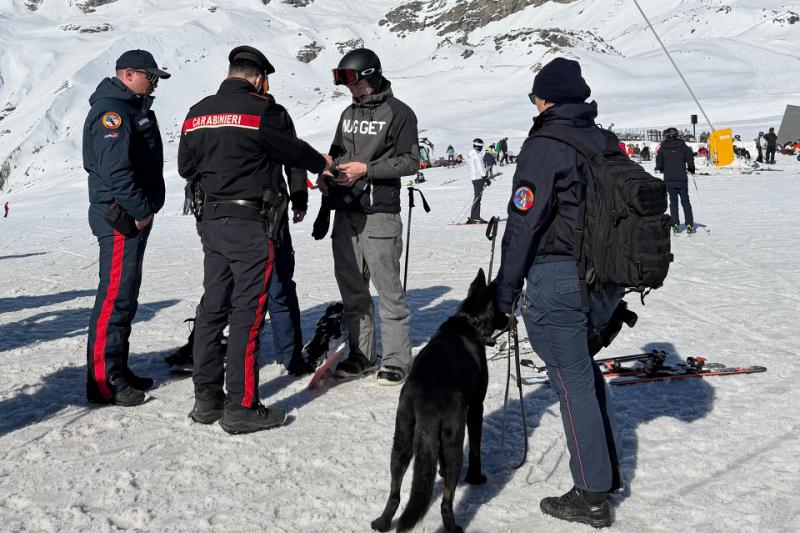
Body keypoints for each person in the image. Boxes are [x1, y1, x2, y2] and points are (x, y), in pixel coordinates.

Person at [495, 57, 623, 528]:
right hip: (604, 277)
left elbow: (524, 222)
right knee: (582, 374)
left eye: (535, 97)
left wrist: (504, 293)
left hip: (558, 276)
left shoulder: (545, 144)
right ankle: (605, 474)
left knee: (571, 385)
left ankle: (591, 494)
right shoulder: (602, 139)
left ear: (545, 99)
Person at [178, 45, 332, 433]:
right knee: (248, 312)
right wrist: (323, 164)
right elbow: (292, 151)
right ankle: (242, 406)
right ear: (259, 78)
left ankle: (206, 400)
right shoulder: (262, 112)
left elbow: (185, 167)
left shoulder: (196, 113)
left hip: (212, 222)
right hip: (251, 223)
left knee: (213, 309)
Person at [319, 48, 419, 385]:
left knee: (388, 290)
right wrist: (327, 168)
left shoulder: (400, 113)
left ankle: (396, 360)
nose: (350, 88)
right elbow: (336, 152)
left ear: (372, 75)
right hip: (346, 211)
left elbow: (410, 161)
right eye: (344, 82)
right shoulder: (348, 113)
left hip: (379, 213)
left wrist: (367, 169)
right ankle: (361, 355)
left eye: (354, 81)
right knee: (352, 289)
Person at [83, 49, 171, 406]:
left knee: (125, 298)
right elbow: (115, 171)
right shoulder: (113, 113)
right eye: (150, 76)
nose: (153, 83)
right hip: (121, 217)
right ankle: (105, 381)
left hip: (130, 216)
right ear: (129, 74)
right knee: (114, 300)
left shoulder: (129, 108)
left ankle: (118, 368)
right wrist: (138, 211)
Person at [656, 127, 696, 234]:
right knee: (685, 201)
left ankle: (675, 224)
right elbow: (690, 157)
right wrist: (691, 168)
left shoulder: (663, 147)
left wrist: (660, 168)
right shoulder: (683, 146)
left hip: (669, 178)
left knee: (673, 202)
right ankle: (689, 224)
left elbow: (659, 161)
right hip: (681, 178)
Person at [467, 138, 488, 224]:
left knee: (477, 197)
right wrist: (485, 177)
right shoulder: (477, 155)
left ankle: (474, 216)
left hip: (474, 178)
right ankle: (475, 217)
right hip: (478, 178)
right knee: (478, 198)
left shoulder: (472, 155)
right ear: (479, 146)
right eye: (481, 146)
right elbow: (480, 167)